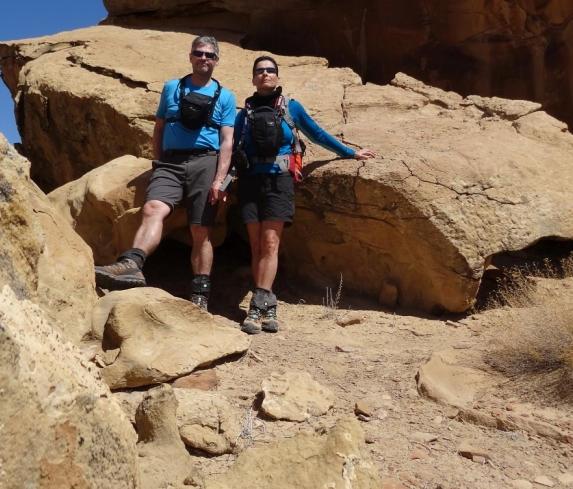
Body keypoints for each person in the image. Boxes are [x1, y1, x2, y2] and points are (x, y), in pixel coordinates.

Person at [234, 56, 376, 334]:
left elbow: (317, 134)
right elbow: (232, 148)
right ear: (253, 79)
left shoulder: (291, 107)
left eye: (270, 70)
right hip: (250, 182)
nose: (265, 74)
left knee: (270, 243)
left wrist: (349, 152)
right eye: (259, 71)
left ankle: (256, 305)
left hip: (279, 181)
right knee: (255, 245)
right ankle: (269, 303)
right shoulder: (245, 113)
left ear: (277, 76)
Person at [94, 36, 236, 312]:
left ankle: (200, 294)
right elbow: (159, 127)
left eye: (209, 55)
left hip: (206, 162)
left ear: (216, 60)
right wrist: (158, 162)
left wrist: (220, 178)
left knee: (201, 228)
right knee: (152, 208)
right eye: (199, 53)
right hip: (170, 163)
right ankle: (132, 264)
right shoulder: (172, 88)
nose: (203, 58)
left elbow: (227, 140)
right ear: (191, 56)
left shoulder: (226, 96)